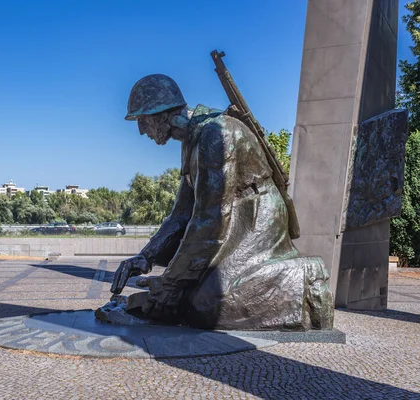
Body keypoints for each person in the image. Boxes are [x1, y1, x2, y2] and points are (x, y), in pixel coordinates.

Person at [102, 74, 333, 330]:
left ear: (162, 114)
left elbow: (209, 219)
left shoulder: (215, 133)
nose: (141, 130)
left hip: (257, 216)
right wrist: (144, 258)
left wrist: (170, 282)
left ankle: (303, 276)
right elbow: (182, 213)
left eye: (143, 120)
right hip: (233, 216)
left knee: (208, 306)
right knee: (190, 299)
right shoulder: (191, 140)